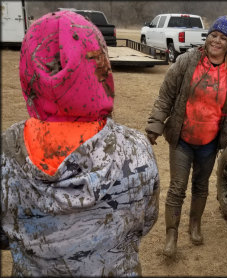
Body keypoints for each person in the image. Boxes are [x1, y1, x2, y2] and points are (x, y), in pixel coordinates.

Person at [1, 11, 159, 276]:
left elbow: (4, 238)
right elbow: (144, 222)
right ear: (101, 65)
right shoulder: (137, 149)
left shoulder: (6, 152)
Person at [145, 15, 227, 257]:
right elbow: (166, 95)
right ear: (208, 36)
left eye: (223, 38)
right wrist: (155, 126)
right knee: (177, 188)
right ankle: (172, 235)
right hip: (182, 137)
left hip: (210, 141)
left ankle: (195, 225)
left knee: (201, 186)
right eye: (213, 35)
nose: (216, 41)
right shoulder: (187, 61)